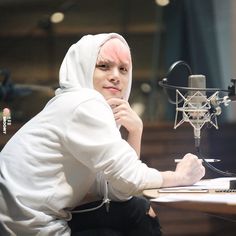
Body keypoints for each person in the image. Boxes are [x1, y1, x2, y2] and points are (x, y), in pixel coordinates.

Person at [0, 33, 205, 236]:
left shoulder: (77, 105)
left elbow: (117, 191)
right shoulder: (84, 104)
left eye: (123, 69)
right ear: (83, 67)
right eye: (104, 66)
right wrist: (179, 177)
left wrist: (135, 131)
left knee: (136, 209)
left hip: (27, 222)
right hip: (27, 228)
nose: (116, 76)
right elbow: (129, 180)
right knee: (138, 214)